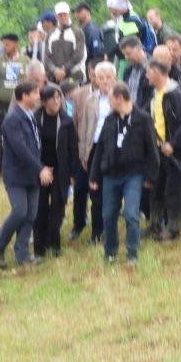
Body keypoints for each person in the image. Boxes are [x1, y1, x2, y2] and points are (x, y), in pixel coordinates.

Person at [88, 83, 159, 265]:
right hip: (110, 174)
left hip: (133, 174)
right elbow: (100, 149)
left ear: (120, 98)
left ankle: (132, 252)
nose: (109, 102)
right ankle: (110, 251)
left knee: (131, 214)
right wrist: (94, 176)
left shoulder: (142, 119)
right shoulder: (109, 120)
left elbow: (152, 149)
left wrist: (151, 177)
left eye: (110, 98)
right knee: (108, 214)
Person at [0, 80, 48, 269]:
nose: (38, 97)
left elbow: (35, 144)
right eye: (35, 93)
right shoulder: (12, 119)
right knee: (19, 211)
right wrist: (40, 168)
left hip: (32, 174)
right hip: (16, 174)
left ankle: (22, 254)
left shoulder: (31, 116)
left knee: (31, 214)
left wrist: (40, 167)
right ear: (24, 96)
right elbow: (20, 148)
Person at [146, 58, 181, 241]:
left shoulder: (175, 94)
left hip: (176, 150)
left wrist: (173, 144)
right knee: (156, 188)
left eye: (149, 72)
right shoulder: (155, 95)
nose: (146, 75)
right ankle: (154, 224)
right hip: (159, 149)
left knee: (173, 189)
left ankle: (173, 227)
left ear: (158, 73)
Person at [70, 63, 114, 244]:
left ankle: (108, 231)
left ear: (114, 78)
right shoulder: (91, 100)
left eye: (107, 77)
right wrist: (84, 154)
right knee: (91, 190)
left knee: (108, 192)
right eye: (100, 77)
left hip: (113, 150)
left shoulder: (120, 97)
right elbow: (85, 128)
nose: (104, 81)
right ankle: (95, 232)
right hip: (93, 148)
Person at [34, 85, 78, 257]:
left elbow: (73, 148)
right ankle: (39, 247)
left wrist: (73, 174)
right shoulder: (35, 119)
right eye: (52, 98)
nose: (56, 101)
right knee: (40, 208)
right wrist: (40, 167)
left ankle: (55, 243)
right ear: (44, 102)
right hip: (40, 169)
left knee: (58, 208)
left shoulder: (66, 121)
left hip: (61, 170)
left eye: (58, 98)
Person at [0, 33, 29, 126]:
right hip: (1, 106)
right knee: (1, 131)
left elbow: (31, 82)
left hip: (20, 105)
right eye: (2, 44)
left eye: (7, 44)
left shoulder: (26, 61)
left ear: (16, 44)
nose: (4, 47)